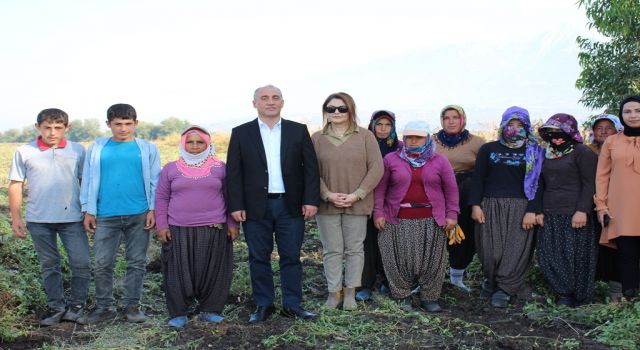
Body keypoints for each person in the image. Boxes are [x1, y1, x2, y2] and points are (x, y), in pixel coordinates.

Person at [226, 85, 320, 323]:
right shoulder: (241, 133)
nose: (270, 102)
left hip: (290, 205)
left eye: (275, 98)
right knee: (259, 257)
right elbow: (234, 173)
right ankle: (263, 304)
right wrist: (236, 205)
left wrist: (310, 199)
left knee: (291, 257)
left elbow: (310, 169)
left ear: (282, 103)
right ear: (254, 103)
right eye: (264, 98)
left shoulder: (297, 131)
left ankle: (292, 305)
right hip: (256, 207)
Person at [78, 103, 161, 324]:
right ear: (108, 124)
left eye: (128, 124)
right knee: (103, 263)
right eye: (117, 124)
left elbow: (155, 181)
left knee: (136, 261)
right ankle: (104, 307)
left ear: (136, 123)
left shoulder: (147, 148)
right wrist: (87, 210)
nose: (123, 128)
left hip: (139, 213)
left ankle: (132, 306)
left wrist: (153, 209)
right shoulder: (96, 148)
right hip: (105, 214)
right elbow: (87, 180)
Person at [8, 108, 90, 326]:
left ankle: (77, 306)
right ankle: (56, 307)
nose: (52, 132)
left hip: (72, 218)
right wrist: (16, 218)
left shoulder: (78, 150)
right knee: (49, 264)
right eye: (47, 127)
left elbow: (86, 182)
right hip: (38, 220)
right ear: (38, 127)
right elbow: (16, 184)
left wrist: (88, 211)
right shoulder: (24, 151)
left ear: (67, 127)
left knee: (81, 262)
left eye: (58, 127)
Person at [155, 126, 239, 328]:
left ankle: (210, 310)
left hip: (214, 227)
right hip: (178, 228)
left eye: (199, 142)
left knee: (213, 270)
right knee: (178, 271)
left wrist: (232, 223)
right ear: (183, 144)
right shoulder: (170, 168)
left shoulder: (220, 167)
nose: (194, 146)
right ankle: (179, 312)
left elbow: (231, 197)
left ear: (207, 144)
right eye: (189, 142)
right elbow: (161, 197)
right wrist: (162, 225)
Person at [373, 120, 459, 312]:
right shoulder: (391, 160)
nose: (413, 141)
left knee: (432, 261)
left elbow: (451, 190)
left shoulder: (439, 161)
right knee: (398, 259)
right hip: (397, 219)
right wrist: (378, 212)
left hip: (431, 219)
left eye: (418, 137)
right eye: (409, 137)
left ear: (427, 138)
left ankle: (429, 297)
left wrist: (452, 214)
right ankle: (402, 294)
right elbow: (380, 190)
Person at [311, 93, 384, 310]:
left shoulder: (365, 136)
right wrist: (327, 194)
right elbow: (311, 171)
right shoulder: (317, 138)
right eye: (331, 108)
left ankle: (351, 292)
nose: (336, 112)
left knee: (354, 249)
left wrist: (357, 194)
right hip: (327, 204)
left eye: (342, 108)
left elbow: (376, 167)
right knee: (331, 250)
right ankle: (334, 293)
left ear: (350, 109)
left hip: (357, 203)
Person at [469, 106, 543, 308]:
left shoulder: (534, 151)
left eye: (520, 125)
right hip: (490, 204)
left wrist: (532, 210)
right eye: (511, 124)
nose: (515, 128)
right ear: (503, 125)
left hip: (521, 206)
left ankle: (505, 288)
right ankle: (491, 281)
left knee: (515, 250)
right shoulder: (489, 149)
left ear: (527, 126)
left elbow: (539, 183)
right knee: (490, 250)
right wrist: (475, 205)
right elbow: (478, 179)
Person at [535, 113, 598, 307]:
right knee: (550, 254)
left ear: (570, 132)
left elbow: (590, 184)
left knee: (578, 256)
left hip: (575, 213)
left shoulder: (582, 152)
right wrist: (538, 210)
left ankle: (581, 298)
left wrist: (582, 210)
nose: (556, 137)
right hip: (550, 212)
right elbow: (539, 184)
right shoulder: (545, 153)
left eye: (560, 132)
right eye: (551, 132)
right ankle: (563, 293)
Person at [433, 105, 485, 292]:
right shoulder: (432, 142)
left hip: (466, 192)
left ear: (463, 119)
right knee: (436, 233)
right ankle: (430, 277)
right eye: (446, 117)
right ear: (441, 120)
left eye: (455, 117)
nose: (451, 121)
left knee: (463, 234)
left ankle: (457, 278)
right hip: (437, 192)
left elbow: (484, 171)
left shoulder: (477, 142)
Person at [595, 95, 640, 299]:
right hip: (621, 208)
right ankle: (631, 300)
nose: (632, 115)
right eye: (627, 111)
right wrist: (601, 206)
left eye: (637, 111)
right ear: (621, 116)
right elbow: (602, 176)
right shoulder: (612, 141)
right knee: (626, 255)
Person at [355, 110, 401, 302]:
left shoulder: (400, 148)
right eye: (379, 124)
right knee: (367, 242)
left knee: (388, 241)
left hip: (391, 201)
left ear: (393, 127)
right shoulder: (363, 144)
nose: (383, 129)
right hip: (366, 198)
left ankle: (388, 281)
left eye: (387, 125)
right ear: (372, 125)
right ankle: (365, 283)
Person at [586, 114, 624, 301]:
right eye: (599, 127)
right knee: (593, 244)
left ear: (618, 129)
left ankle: (617, 287)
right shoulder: (586, 151)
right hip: (589, 205)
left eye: (608, 127)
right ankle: (594, 281)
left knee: (614, 245)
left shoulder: (623, 149)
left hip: (618, 203)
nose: (603, 131)